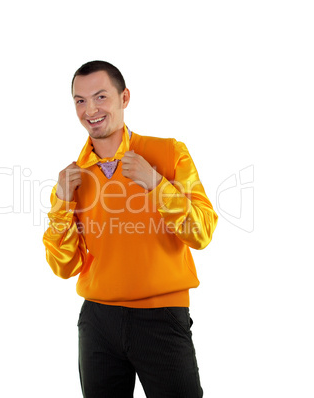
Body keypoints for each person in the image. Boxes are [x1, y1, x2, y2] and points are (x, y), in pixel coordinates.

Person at [43, 60, 218, 398]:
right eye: (80, 100)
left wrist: (156, 184)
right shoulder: (72, 178)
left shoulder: (167, 154)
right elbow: (63, 266)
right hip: (97, 322)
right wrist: (62, 202)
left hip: (161, 317)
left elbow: (202, 233)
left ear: (124, 98)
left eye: (100, 97)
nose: (90, 109)